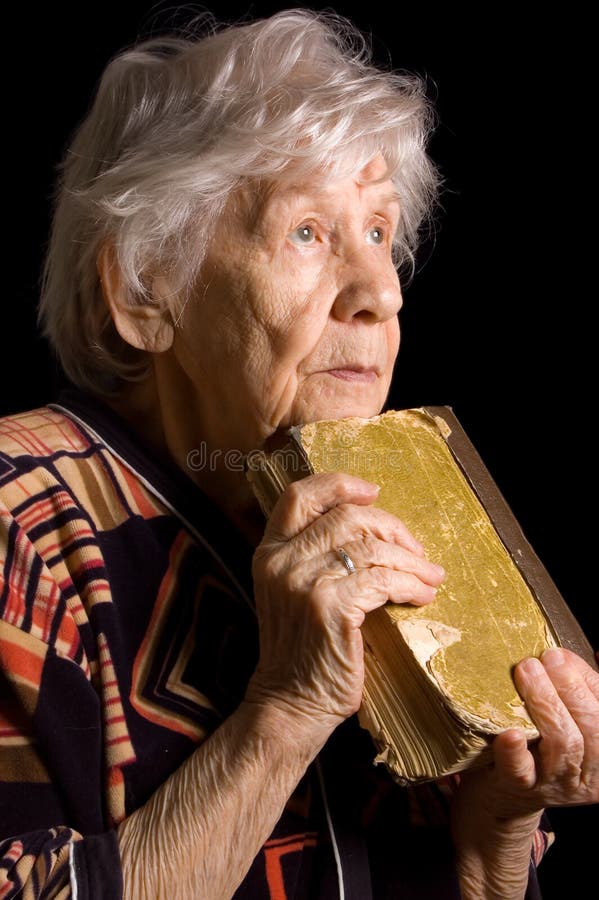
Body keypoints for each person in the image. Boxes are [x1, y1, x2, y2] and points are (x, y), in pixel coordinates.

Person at [0, 8, 597, 899]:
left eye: (380, 232)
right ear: (141, 289)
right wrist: (286, 707)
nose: (381, 293)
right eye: (308, 234)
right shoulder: (18, 524)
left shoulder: (403, 519)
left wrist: (494, 842)